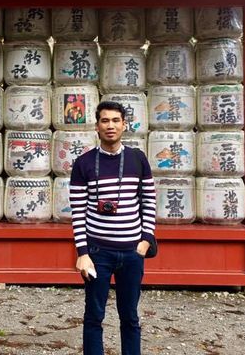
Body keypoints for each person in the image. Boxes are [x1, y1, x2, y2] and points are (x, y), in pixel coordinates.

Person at [70, 100, 157, 355]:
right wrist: (82, 253)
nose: (111, 126)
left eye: (116, 120)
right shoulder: (84, 163)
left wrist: (145, 240)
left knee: (129, 315)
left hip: (132, 252)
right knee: (93, 315)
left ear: (124, 125)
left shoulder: (137, 159)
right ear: (97, 126)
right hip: (98, 252)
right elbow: (77, 212)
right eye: (105, 121)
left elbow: (149, 200)